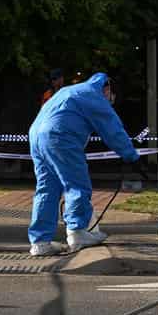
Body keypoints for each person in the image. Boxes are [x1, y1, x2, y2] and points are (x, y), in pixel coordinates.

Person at [28, 72, 139, 256]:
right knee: (76, 184)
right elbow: (112, 130)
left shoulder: (69, 90)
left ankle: (40, 242)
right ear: (107, 88)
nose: (110, 102)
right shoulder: (93, 95)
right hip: (60, 137)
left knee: (46, 188)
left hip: (36, 136)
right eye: (111, 98)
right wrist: (131, 156)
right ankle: (77, 232)